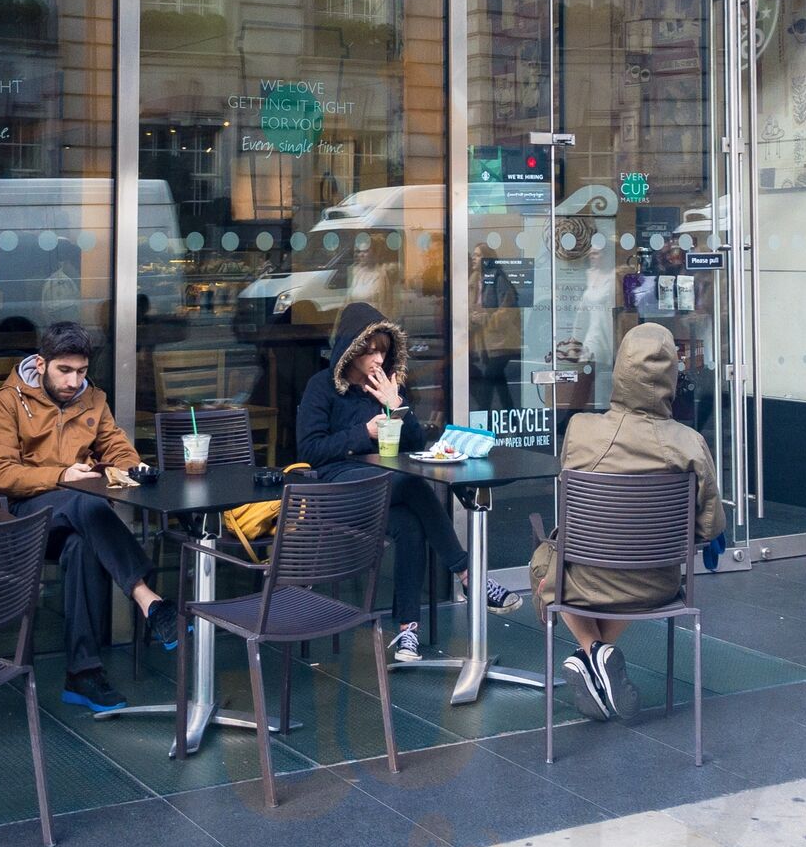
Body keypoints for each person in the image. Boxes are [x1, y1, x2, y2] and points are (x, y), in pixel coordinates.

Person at [296, 301, 522, 662]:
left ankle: (407, 632)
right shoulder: (321, 387)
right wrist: (364, 432)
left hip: (385, 488)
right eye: (369, 350)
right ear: (350, 349)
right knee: (415, 485)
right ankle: (468, 574)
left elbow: (416, 443)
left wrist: (395, 404)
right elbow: (310, 449)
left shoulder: (386, 386)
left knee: (410, 527)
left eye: (382, 351)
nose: (377, 359)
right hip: (338, 491)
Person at [529, 322, 724, 722]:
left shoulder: (580, 430)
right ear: (671, 377)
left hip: (583, 581)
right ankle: (599, 661)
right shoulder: (690, 443)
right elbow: (709, 528)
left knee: (550, 562)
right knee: (619, 576)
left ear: (619, 372)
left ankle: (592, 651)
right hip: (657, 585)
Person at [0, 321, 178, 712]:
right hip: (25, 517)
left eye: (81, 371)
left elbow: (120, 450)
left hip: (77, 521)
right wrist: (61, 476)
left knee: (82, 546)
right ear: (41, 364)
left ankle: (83, 676)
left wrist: (128, 467)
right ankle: (147, 598)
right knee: (86, 502)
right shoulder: (6, 401)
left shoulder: (93, 400)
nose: (74, 381)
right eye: (64, 370)